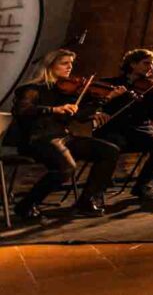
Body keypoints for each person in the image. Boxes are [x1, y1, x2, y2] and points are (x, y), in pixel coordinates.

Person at [11, 49, 119, 219]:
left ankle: (86, 201)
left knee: (109, 151)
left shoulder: (65, 90)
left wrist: (102, 101)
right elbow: (22, 110)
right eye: (64, 63)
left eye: (71, 64)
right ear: (49, 65)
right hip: (38, 138)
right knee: (66, 168)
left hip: (63, 137)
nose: (70, 67)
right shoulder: (31, 88)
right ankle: (26, 205)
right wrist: (54, 109)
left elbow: (80, 116)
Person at [95, 48, 153, 200]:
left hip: (138, 132)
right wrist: (100, 110)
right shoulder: (111, 84)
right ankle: (98, 187)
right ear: (133, 64)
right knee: (114, 143)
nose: (150, 67)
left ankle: (142, 185)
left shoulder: (152, 90)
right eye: (146, 63)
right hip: (112, 130)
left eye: (152, 64)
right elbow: (95, 104)